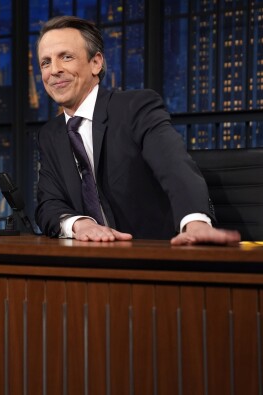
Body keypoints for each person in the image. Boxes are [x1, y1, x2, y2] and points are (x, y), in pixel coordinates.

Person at [34, 16, 241, 245]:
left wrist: (195, 223)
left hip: (158, 255)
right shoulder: (50, 135)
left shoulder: (135, 107)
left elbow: (174, 166)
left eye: (66, 57)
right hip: (92, 261)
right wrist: (81, 224)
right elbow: (48, 204)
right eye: (45, 62)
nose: (54, 70)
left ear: (96, 63)